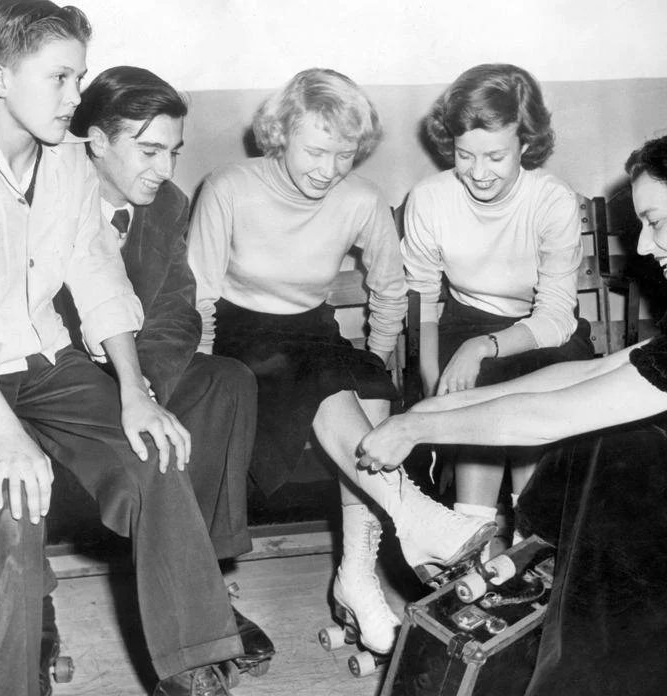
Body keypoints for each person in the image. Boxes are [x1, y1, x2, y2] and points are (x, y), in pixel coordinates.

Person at [359, 122, 667, 695]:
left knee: (607, 438)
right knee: (613, 435)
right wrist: (430, 410)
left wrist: (415, 431)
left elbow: (546, 417)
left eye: (653, 223)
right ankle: (535, 558)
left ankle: (557, 610)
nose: (642, 247)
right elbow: (590, 371)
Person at [0, 2, 238, 695]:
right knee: (10, 499)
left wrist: (136, 393)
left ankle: (196, 670)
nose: (77, 96)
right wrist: (10, 438)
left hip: (38, 354)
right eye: (61, 78)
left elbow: (99, 277)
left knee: (155, 453)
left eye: (80, 77)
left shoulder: (69, 160)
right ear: (1, 77)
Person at [187, 68, 496, 657]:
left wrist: (374, 361)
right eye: (316, 150)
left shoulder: (360, 199)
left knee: (367, 382)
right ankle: (412, 517)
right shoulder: (228, 186)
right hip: (240, 335)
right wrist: (200, 376)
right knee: (326, 377)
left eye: (345, 155)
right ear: (280, 134)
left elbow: (388, 287)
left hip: (312, 333)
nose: (329, 170)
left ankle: (358, 573)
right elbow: (200, 294)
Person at [67, 64, 274, 676]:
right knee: (153, 437)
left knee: (227, 381)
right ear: (98, 141)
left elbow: (175, 311)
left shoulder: (168, 205)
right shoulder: (52, 197)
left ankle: (202, 584)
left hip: (141, 374)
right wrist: (125, 389)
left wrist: (148, 384)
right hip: (68, 380)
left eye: (173, 152)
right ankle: (188, 623)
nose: (164, 169)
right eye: (148, 150)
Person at [401, 63, 593, 547]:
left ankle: (532, 546)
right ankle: (474, 544)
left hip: (540, 329)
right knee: (473, 397)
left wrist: (482, 347)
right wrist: (433, 383)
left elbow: (554, 316)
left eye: (495, 156)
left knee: (534, 395)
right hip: (463, 320)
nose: (479, 173)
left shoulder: (552, 200)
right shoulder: (429, 198)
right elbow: (423, 298)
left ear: (526, 144)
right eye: (466, 156)